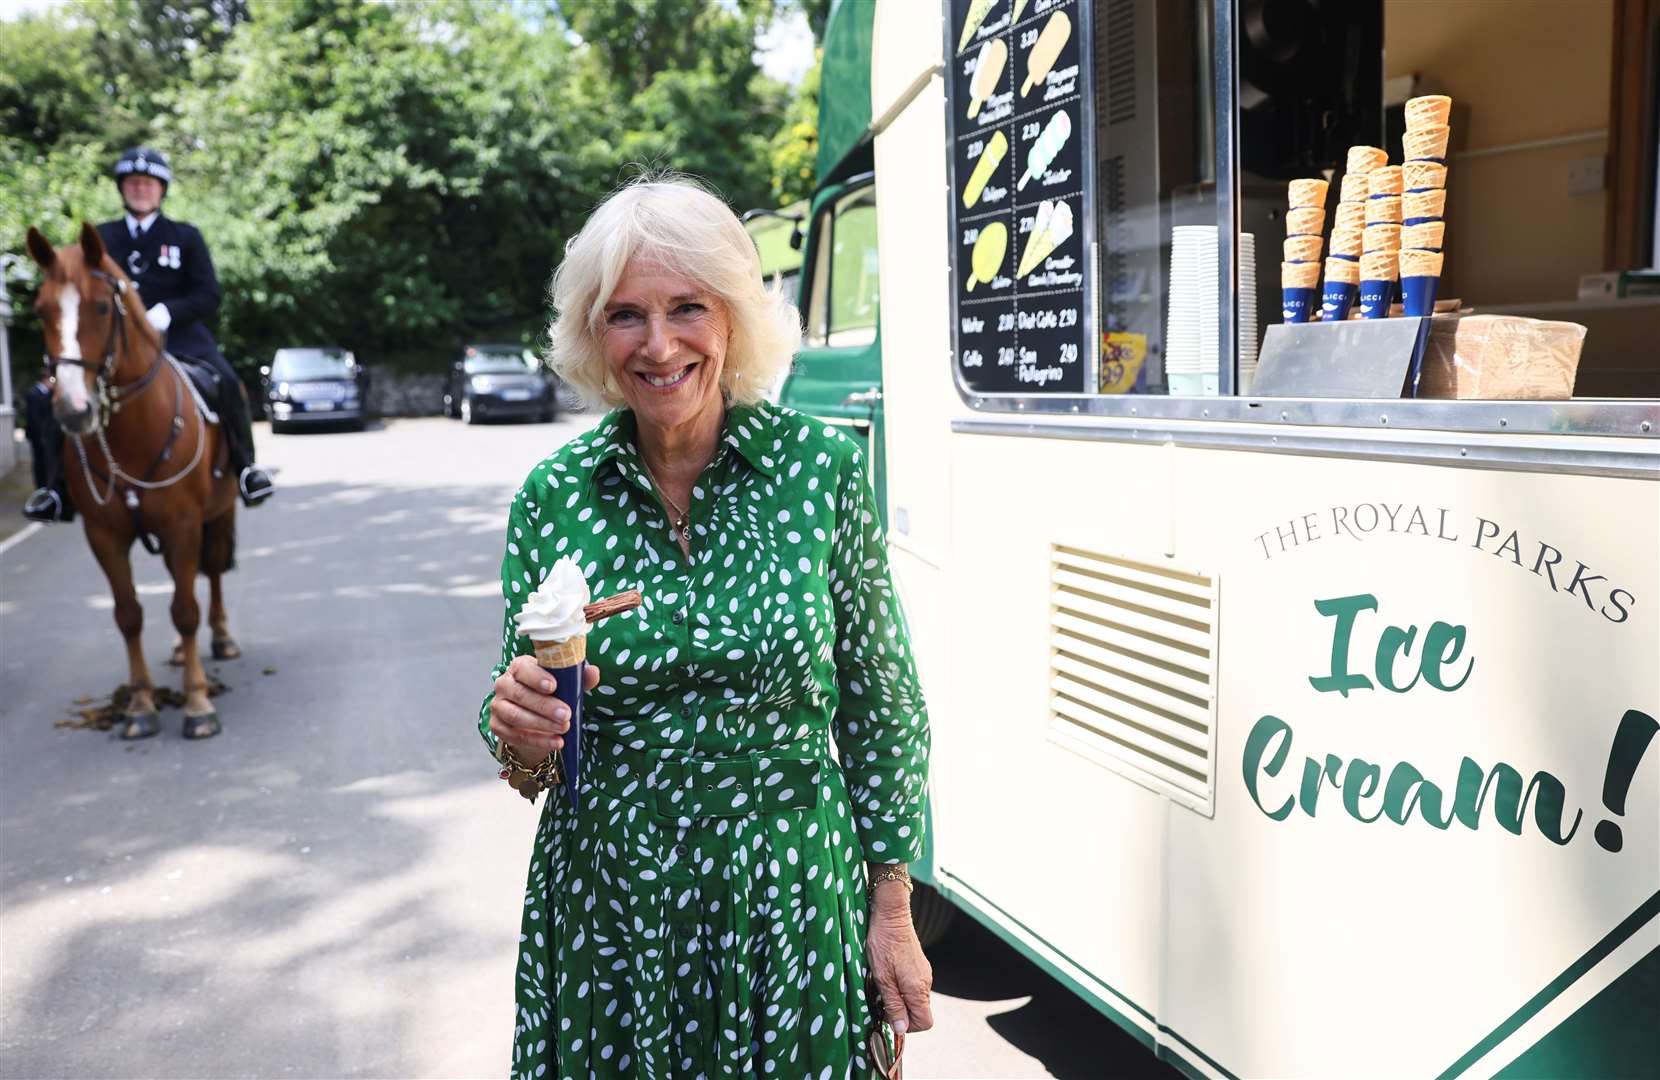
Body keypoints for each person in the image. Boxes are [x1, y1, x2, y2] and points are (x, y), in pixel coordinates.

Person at [480, 176, 934, 1077]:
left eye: (688, 307)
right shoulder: (553, 496)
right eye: (625, 316)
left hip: (788, 898)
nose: (658, 345)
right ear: (593, 333)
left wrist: (892, 908)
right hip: (612, 908)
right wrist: (515, 725)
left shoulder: (819, 473)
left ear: (732, 318)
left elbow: (882, 704)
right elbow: (523, 748)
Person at [23, 146, 273, 523]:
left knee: (225, 379)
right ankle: (54, 489)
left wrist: (165, 313)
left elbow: (208, 295)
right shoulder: (98, 239)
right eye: (133, 183)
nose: (141, 189)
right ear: (122, 189)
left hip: (181, 338)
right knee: (45, 397)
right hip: (108, 344)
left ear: (162, 189)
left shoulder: (185, 237)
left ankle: (246, 468)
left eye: (149, 183)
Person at [21, 364, 71, 522]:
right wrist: (42, 437)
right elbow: (35, 420)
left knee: (50, 464)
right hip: (40, 438)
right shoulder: (34, 394)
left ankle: (51, 491)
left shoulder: (47, 393)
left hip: (48, 437)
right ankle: (44, 489)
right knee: (41, 464)